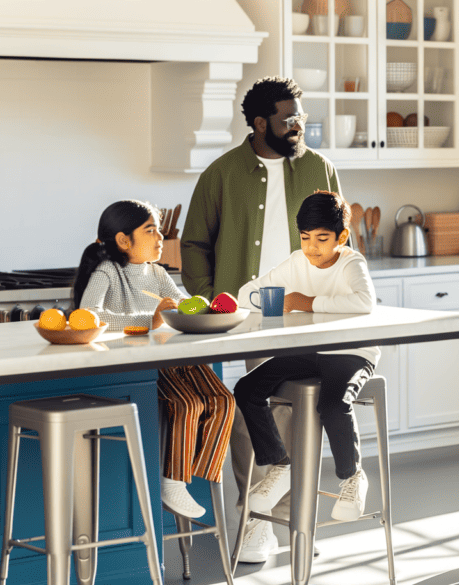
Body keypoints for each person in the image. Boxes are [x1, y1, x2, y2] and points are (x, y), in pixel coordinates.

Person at [180, 75, 345, 562]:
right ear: (258, 123)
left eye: (300, 115)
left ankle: (293, 520)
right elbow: (194, 244)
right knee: (249, 410)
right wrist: (215, 300)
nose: (297, 124)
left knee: (299, 410)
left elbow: (342, 240)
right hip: (248, 312)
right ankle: (253, 518)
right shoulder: (223, 172)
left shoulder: (319, 168)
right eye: (286, 117)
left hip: (305, 310)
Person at [72, 200, 234, 519]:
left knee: (224, 400)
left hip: (175, 356)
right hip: (143, 365)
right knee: (187, 405)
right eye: (150, 230)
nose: (160, 237)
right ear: (123, 240)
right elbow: (87, 315)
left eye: (159, 229)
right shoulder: (109, 272)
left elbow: (181, 305)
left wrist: (208, 308)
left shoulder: (157, 273)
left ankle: (194, 474)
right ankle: (172, 482)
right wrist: (149, 319)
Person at [234, 191, 378, 525]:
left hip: (352, 351)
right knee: (247, 388)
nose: (312, 247)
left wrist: (306, 301)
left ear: (341, 237)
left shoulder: (351, 262)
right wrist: (274, 299)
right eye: (305, 238)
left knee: (332, 404)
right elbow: (245, 294)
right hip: (310, 350)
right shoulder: (298, 261)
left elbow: (363, 303)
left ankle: (352, 477)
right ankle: (281, 465)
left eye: (322, 239)